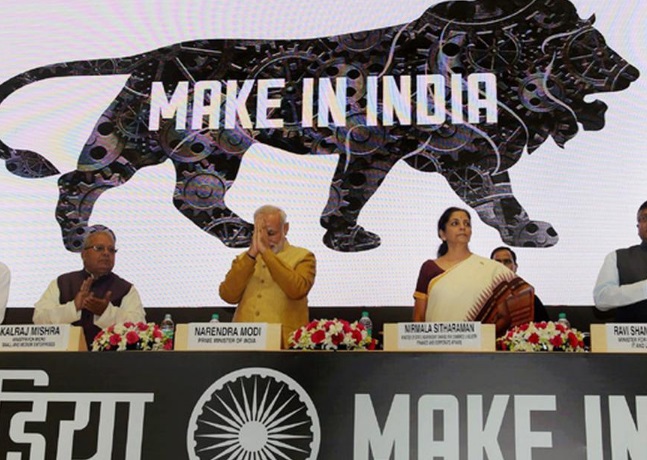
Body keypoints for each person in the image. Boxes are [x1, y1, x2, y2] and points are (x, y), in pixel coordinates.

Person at [413, 207, 534, 335]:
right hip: (436, 345)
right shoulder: (429, 268)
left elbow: (504, 317)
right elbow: (418, 317)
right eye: (455, 223)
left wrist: (478, 338)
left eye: (467, 224)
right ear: (442, 234)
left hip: (478, 346)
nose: (462, 227)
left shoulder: (489, 269)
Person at [219, 205, 316, 347]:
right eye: (259, 233)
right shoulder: (244, 259)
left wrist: (266, 253)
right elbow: (228, 296)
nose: (265, 239)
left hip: (284, 345)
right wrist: (251, 255)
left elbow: (297, 290)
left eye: (271, 233)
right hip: (242, 343)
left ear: (285, 229)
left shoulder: (303, 256)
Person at [33, 227, 146, 348]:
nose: (106, 253)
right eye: (99, 248)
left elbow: (139, 327)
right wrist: (73, 307)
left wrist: (106, 312)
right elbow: (39, 320)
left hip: (110, 358)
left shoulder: (126, 289)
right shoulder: (62, 283)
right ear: (84, 254)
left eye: (111, 250)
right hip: (64, 357)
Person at [594, 201, 647, 322]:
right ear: (638, 226)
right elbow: (601, 298)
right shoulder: (617, 257)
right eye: (645, 218)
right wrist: (644, 289)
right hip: (632, 333)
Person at [490, 246, 550, 322]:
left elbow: (545, 327)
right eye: (497, 262)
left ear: (515, 267)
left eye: (507, 262)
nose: (502, 266)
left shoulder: (529, 298)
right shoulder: (483, 298)